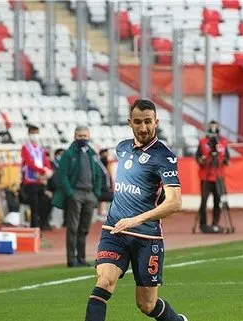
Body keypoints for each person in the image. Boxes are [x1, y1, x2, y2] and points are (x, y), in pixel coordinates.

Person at [84, 99, 188, 321]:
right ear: (129, 122)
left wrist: (136, 219)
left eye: (148, 122)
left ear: (156, 122)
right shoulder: (122, 148)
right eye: (138, 122)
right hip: (114, 230)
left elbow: (175, 202)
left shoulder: (165, 156)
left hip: (146, 236)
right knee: (104, 281)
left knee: (146, 304)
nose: (143, 128)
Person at [52, 127, 105, 267]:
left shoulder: (92, 153)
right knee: (73, 227)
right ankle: (71, 259)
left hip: (89, 193)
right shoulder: (69, 154)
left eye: (85, 135)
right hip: (76, 193)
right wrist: (70, 192)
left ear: (89, 136)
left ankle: (81, 258)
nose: (83, 138)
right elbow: (61, 174)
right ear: (75, 136)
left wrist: (97, 192)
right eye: (80, 135)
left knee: (84, 228)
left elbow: (99, 173)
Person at [195, 120, 229, 233]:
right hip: (205, 176)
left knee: (217, 201)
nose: (213, 129)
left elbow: (227, 160)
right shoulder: (203, 142)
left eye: (215, 127)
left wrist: (221, 158)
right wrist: (204, 159)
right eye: (211, 127)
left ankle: (215, 223)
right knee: (203, 201)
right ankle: (203, 224)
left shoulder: (223, 142)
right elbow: (198, 159)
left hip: (218, 176)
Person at [20, 125, 52, 228]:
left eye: (36, 133)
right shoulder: (25, 148)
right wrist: (42, 170)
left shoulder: (40, 148)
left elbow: (45, 161)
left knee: (43, 204)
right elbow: (29, 163)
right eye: (33, 133)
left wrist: (48, 170)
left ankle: (42, 225)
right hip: (30, 181)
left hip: (40, 181)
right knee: (34, 206)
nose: (35, 135)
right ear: (29, 134)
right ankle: (34, 227)